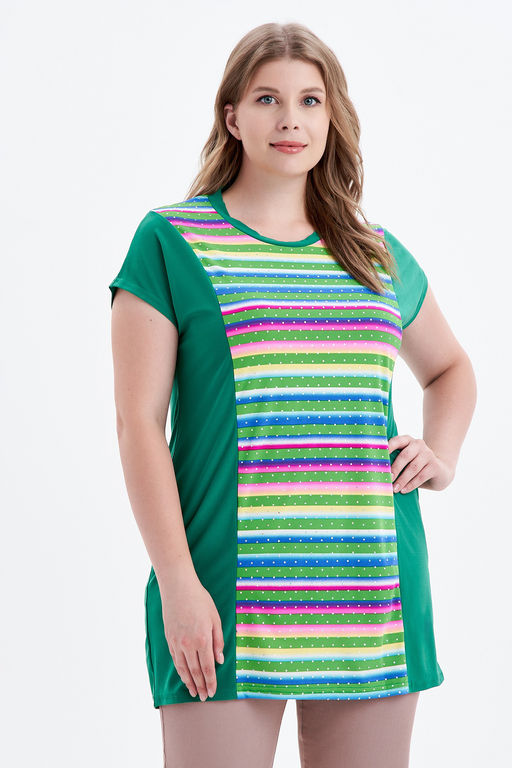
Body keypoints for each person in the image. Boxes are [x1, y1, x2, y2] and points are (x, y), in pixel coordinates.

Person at [109, 22, 476, 768]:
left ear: (332, 117)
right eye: (267, 99)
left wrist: (441, 453)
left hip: (373, 584)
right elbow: (137, 424)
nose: (290, 119)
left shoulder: (373, 252)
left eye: (310, 100)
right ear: (232, 117)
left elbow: (450, 369)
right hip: (225, 588)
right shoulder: (172, 241)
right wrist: (177, 582)